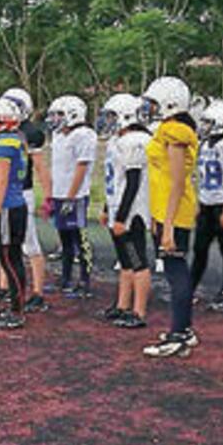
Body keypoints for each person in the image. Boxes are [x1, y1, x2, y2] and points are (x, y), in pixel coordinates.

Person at [139, 76, 202, 359]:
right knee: (175, 271)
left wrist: (168, 226)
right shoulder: (167, 128)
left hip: (175, 211)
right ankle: (183, 328)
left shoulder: (176, 131)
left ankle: (179, 333)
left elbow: (177, 182)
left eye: (154, 103)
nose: (150, 108)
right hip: (165, 210)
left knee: (176, 273)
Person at [97, 93, 153, 329]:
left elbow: (133, 181)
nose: (108, 121)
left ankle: (138, 311)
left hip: (133, 211)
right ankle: (122, 305)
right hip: (118, 206)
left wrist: (121, 217)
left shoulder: (136, 141)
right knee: (125, 261)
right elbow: (115, 181)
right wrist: (106, 208)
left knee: (137, 260)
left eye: (111, 116)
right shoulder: (117, 141)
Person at [189, 100, 223, 312]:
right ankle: (190, 287)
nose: (205, 126)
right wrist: (198, 203)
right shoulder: (206, 144)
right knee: (199, 249)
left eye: (209, 122)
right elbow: (200, 176)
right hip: (207, 203)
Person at [0, 98, 29, 329]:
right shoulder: (15, 139)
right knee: (10, 257)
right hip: (14, 203)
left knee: (10, 259)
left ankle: (18, 310)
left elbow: (1, 182)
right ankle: (15, 305)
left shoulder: (2, 143)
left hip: (9, 206)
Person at [45, 95, 97, 305]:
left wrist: (71, 196)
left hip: (75, 196)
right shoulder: (59, 136)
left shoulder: (84, 135)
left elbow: (81, 168)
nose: (55, 119)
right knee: (64, 241)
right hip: (60, 193)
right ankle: (65, 278)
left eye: (60, 114)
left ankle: (85, 281)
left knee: (79, 239)